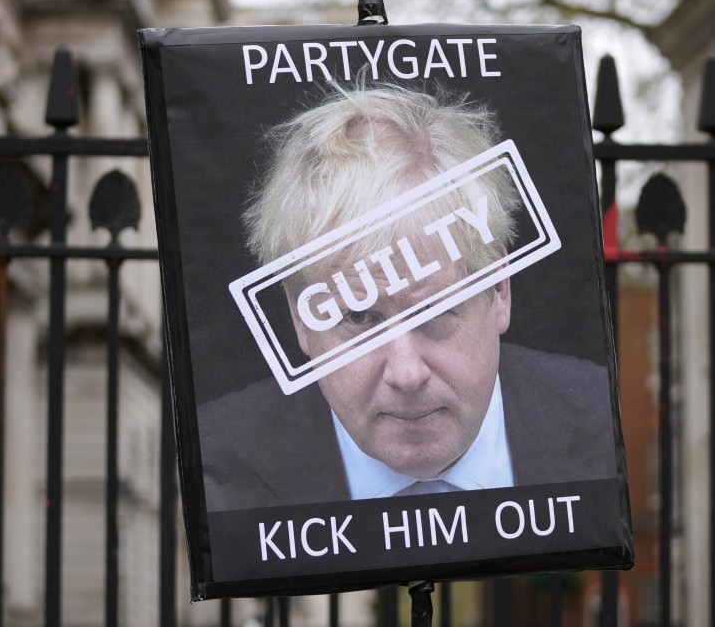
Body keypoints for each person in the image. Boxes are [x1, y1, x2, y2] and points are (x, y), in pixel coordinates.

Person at [199, 85, 615, 512]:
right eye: (359, 317)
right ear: (301, 319)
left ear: (499, 288)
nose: (407, 374)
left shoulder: (610, 426)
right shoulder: (216, 466)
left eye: (433, 309)